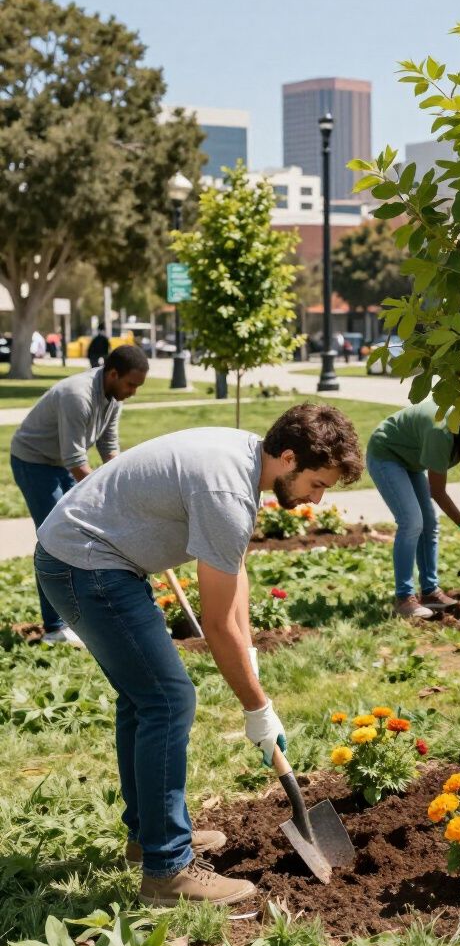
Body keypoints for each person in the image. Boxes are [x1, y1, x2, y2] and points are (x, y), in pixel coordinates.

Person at [34, 403, 363, 904]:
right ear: (291, 457)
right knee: (168, 700)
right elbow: (214, 624)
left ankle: (149, 839)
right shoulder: (228, 491)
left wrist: (249, 653)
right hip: (86, 564)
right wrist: (257, 707)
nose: (317, 500)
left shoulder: (245, 459)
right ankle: (167, 871)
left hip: (91, 558)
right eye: (317, 483)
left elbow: (235, 573)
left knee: (145, 698)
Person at [10, 345, 150, 643]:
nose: (134, 392)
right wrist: (103, 498)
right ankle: (55, 627)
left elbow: (108, 445)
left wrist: (121, 488)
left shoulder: (114, 397)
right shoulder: (78, 395)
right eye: (131, 384)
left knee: (78, 535)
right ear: (113, 374)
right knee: (54, 538)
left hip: (61, 462)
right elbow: (75, 459)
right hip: (34, 461)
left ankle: (79, 616)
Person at [366, 401, 460, 619]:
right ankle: (404, 598)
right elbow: (437, 491)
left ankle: (429, 592)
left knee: (429, 524)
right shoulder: (442, 431)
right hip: (387, 453)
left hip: (411, 461)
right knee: (411, 522)